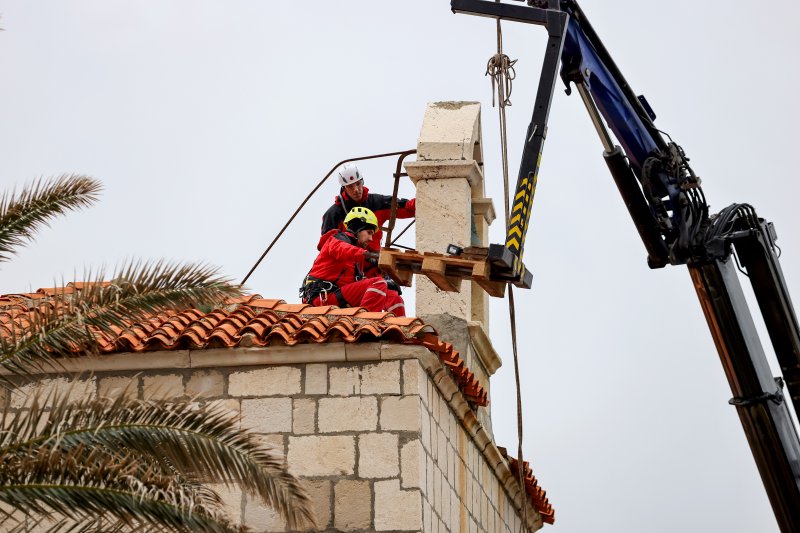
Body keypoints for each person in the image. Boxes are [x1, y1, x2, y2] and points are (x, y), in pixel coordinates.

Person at [301, 206, 405, 316]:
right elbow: (344, 250)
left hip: (339, 297)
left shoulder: (356, 260)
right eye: (369, 232)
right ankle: (367, 325)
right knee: (378, 283)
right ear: (357, 228)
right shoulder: (336, 240)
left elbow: (361, 284)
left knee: (394, 297)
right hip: (322, 298)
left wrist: (388, 283)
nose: (371, 239)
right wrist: (368, 256)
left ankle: (400, 329)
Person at [321, 163, 416, 252]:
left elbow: (407, 208)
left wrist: (425, 200)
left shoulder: (377, 203)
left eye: (358, 184)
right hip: (349, 264)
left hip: (373, 263)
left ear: (362, 182)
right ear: (344, 188)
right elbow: (327, 246)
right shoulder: (333, 214)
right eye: (350, 186)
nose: (356, 190)